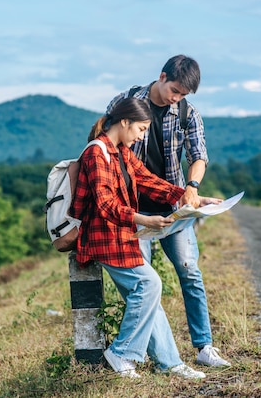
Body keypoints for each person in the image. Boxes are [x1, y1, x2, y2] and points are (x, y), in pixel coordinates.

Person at [70, 97, 217, 379]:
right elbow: (104, 204)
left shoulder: (122, 152)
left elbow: (149, 181)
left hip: (120, 234)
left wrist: (194, 198)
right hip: (103, 237)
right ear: (124, 122)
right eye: (140, 129)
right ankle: (122, 352)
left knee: (148, 293)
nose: (141, 135)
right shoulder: (96, 154)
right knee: (149, 285)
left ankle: (169, 362)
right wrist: (143, 219)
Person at [105, 54, 231, 368]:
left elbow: (199, 154)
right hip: (133, 213)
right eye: (174, 90)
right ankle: (159, 354)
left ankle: (204, 347)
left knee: (190, 271)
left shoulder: (188, 113)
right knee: (144, 283)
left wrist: (192, 187)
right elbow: (105, 144)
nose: (176, 98)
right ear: (162, 77)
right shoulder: (126, 102)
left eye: (183, 95)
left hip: (174, 209)